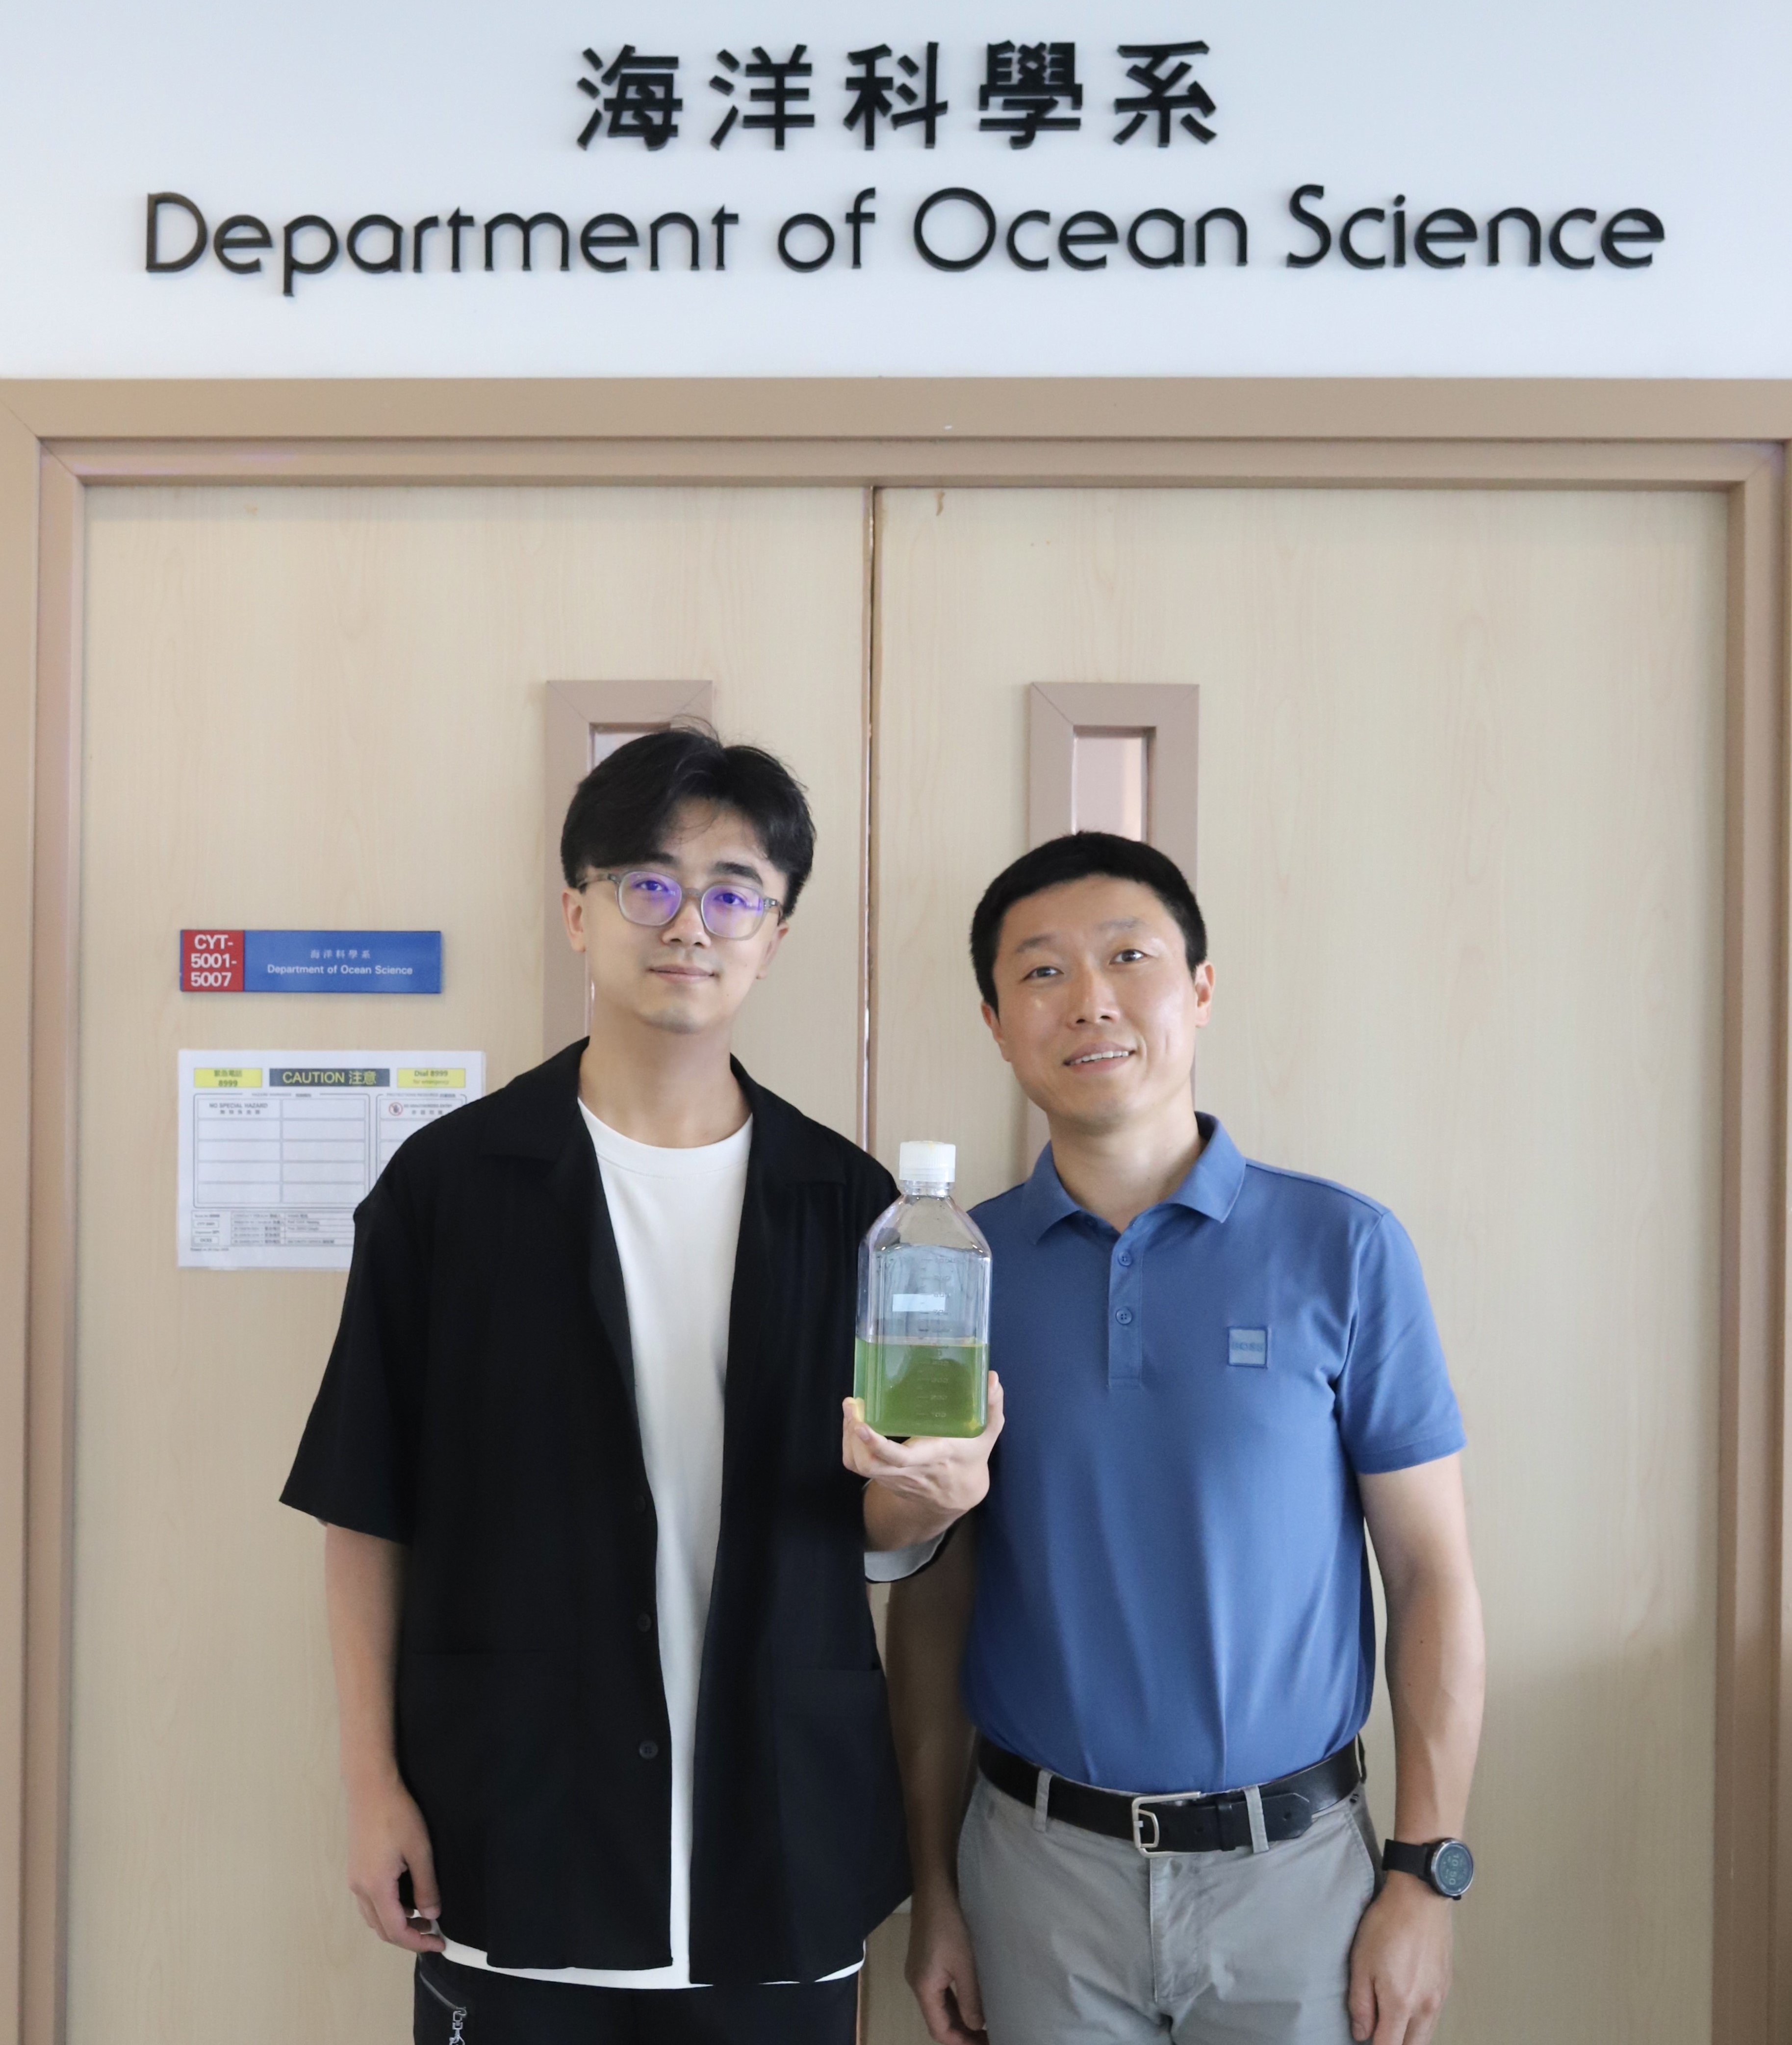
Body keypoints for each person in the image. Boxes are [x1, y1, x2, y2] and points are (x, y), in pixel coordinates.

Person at [282, 727, 999, 2045]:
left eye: (734, 891)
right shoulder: (448, 1189)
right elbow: (364, 1510)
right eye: (648, 883)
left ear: (772, 935)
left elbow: (877, 1539)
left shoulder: (854, 1210)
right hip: (515, 1832)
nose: (690, 922)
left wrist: (927, 1500)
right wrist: (371, 1783)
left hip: (775, 1855)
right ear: (578, 910)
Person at [887, 832, 1486, 2045]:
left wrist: (1424, 1875)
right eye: (1042, 972)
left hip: (1298, 1878)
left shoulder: (1345, 1249)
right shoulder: (952, 1268)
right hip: (1035, 1875)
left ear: (1200, 990)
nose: (1091, 999)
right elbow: (933, 1601)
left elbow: (1431, 1576)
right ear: (998, 1023)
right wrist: (936, 1888)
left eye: (1130, 957)